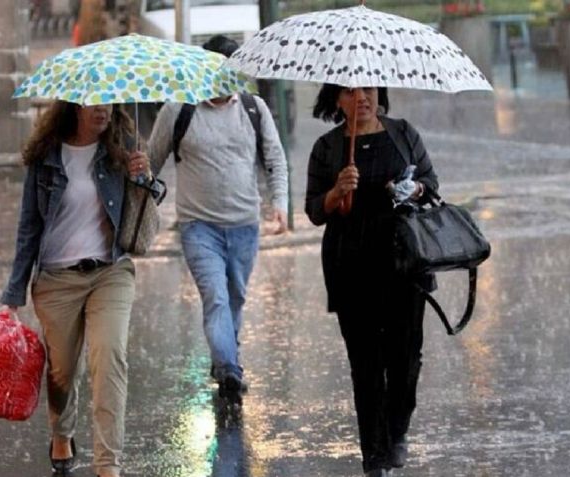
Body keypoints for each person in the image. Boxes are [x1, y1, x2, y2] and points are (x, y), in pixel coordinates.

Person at [0, 100, 163, 477]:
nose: (103, 110)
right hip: (57, 279)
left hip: (111, 271)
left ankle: (108, 466)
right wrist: (14, 292)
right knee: (62, 372)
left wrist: (144, 178)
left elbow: (142, 217)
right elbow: (29, 226)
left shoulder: (122, 145)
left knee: (110, 359)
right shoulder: (47, 155)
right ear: (74, 106)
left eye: (108, 102)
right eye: (94, 104)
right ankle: (62, 431)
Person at [304, 85, 439, 477]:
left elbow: (430, 185)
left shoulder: (403, 133)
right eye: (350, 91)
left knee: (405, 359)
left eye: (369, 88)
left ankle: (397, 431)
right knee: (365, 365)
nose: (362, 97)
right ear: (336, 101)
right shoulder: (328, 148)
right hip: (351, 266)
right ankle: (374, 458)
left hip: (404, 263)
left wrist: (413, 188)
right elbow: (314, 210)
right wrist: (336, 193)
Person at [146, 34, 289, 403]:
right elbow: (152, 161)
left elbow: (275, 158)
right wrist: (136, 187)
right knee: (216, 298)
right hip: (199, 228)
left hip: (245, 224)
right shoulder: (179, 110)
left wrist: (281, 204)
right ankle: (228, 368)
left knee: (236, 297)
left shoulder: (253, 108)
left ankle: (225, 357)